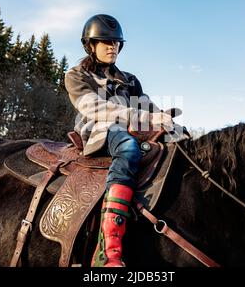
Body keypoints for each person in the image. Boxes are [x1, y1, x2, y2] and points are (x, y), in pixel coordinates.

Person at [64, 14, 177, 267]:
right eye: (105, 41)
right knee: (128, 147)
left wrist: (176, 129)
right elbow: (95, 109)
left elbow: (150, 108)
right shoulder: (76, 75)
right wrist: (143, 118)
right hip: (98, 131)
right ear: (90, 45)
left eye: (116, 42)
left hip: (132, 129)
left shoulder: (130, 80)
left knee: (170, 147)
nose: (112, 46)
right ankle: (108, 252)